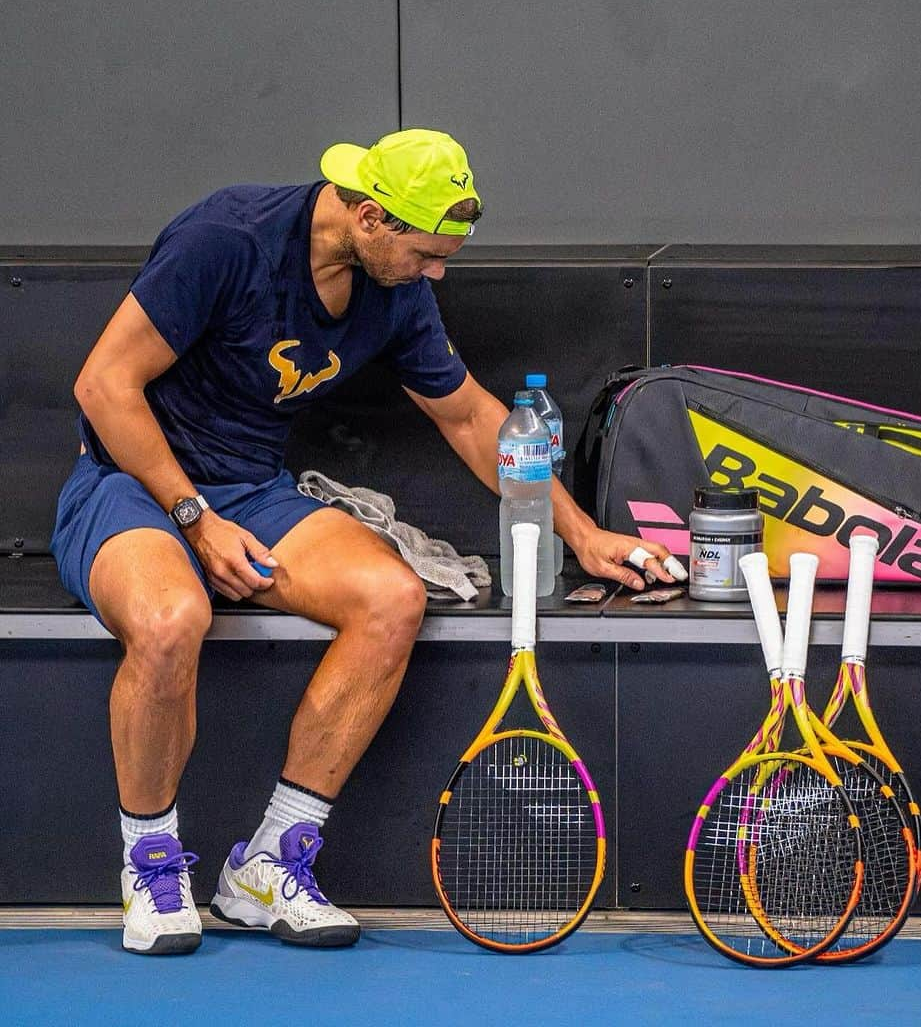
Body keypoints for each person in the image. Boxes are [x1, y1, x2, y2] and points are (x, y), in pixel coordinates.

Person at [50, 128, 678, 956]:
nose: (437, 272)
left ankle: (268, 866)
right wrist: (195, 520)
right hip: (129, 482)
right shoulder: (226, 239)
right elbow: (102, 384)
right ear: (371, 217)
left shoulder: (394, 288)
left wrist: (583, 531)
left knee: (392, 598)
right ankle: (153, 864)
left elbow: (466, 414)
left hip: (254, 491)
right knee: (171, 620)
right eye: (425, 253)